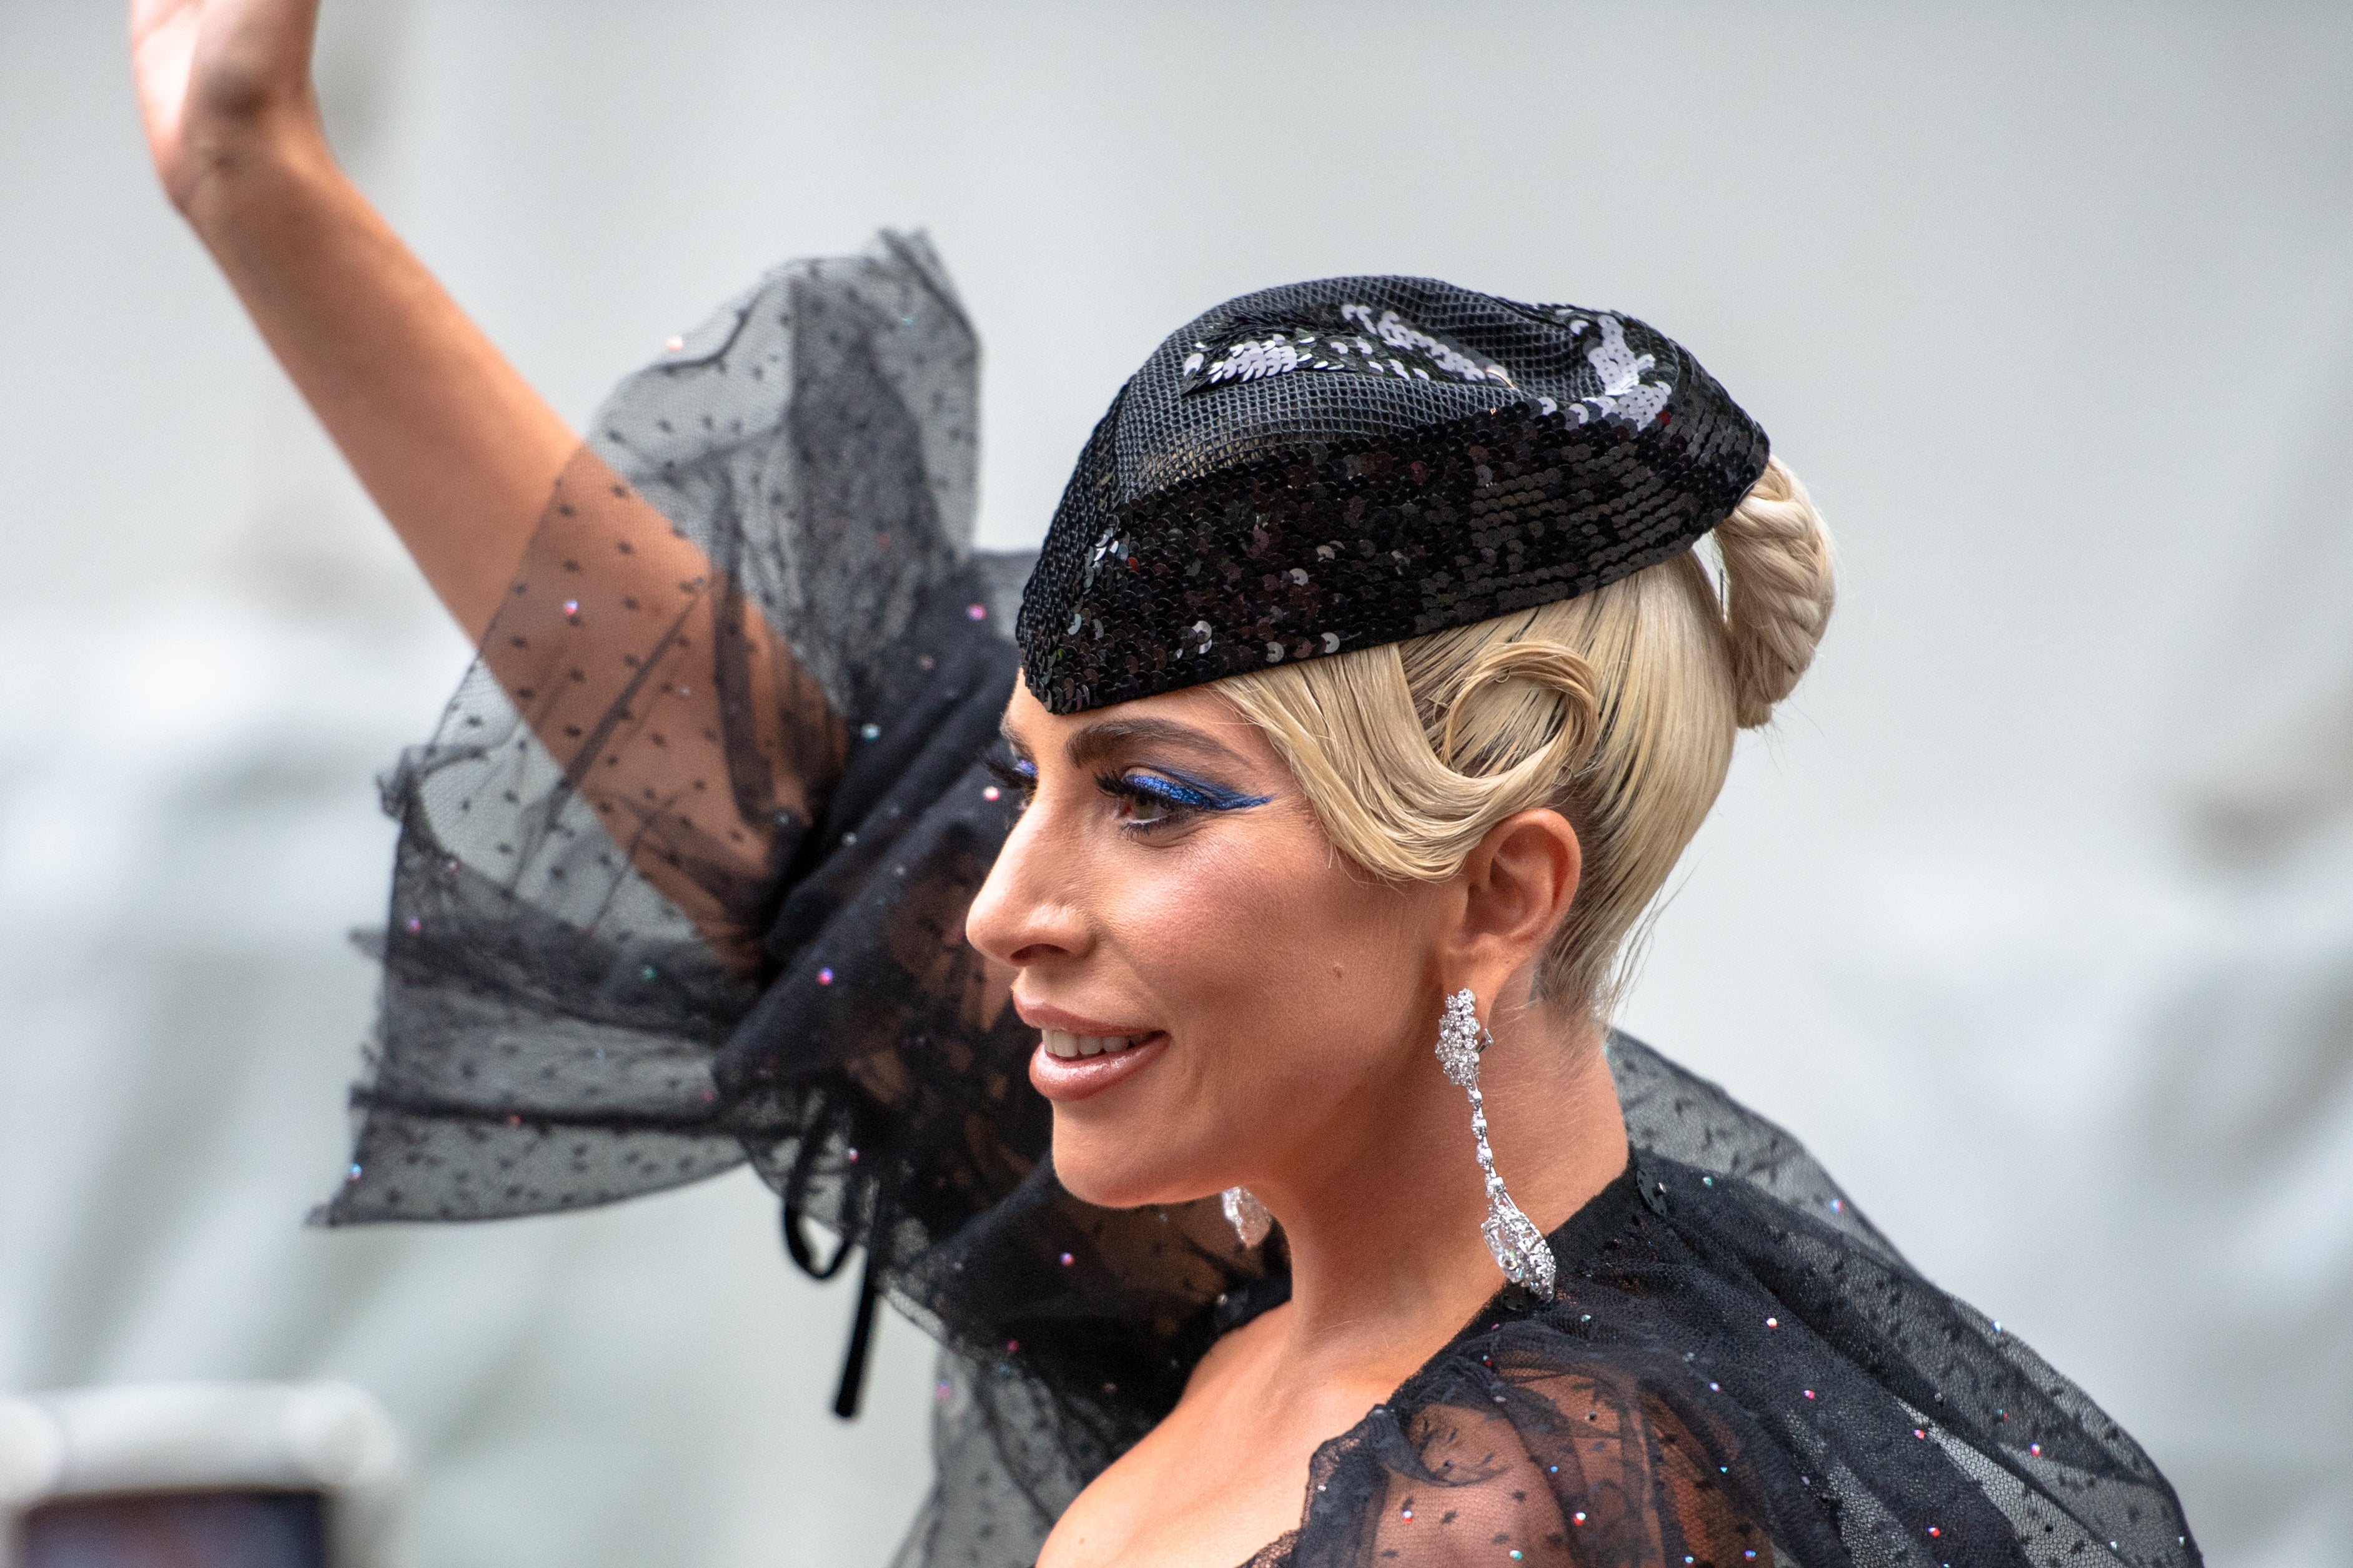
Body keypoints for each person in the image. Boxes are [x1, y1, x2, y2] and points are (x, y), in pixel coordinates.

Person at [133, 2, 2201, 1564]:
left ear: (1496, 892)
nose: (995, 903)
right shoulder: (1267, 1304)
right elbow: (773, 806)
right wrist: (254, 175)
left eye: (1150, 800)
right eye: (1022, 782)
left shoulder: (1505, 1505)